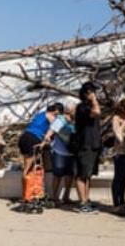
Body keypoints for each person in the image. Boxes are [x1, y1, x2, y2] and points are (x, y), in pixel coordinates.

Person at [18, 102, 63, 196]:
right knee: (29, 168)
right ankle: (27, 195)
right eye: (58, 113)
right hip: (33, 138)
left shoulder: (41, 114)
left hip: (24, 137)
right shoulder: (51, 115)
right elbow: (54, 129)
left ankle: (27, 193)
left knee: (29, 167)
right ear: (56, 111)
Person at [74, 81, 102, 214]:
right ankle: (82, 203)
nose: (95, 94)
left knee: (88, 175)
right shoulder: (82, 107)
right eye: (93, 92)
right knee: (82, 174)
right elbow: (96, 112)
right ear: (87, 93)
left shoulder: (89, 106)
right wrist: (94, 100)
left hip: (93, 144)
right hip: (85, 145)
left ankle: (86, 200)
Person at [41, 104, 77, 207]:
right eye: (74, 109)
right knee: (58, 174)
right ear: (69, 110)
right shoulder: (60, 120)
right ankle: (55, 197)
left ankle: (66, 196)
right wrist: (46, 139)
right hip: (60, 151)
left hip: (71, 152)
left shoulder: (76, 121)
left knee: (69, 175)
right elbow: (51, 130)